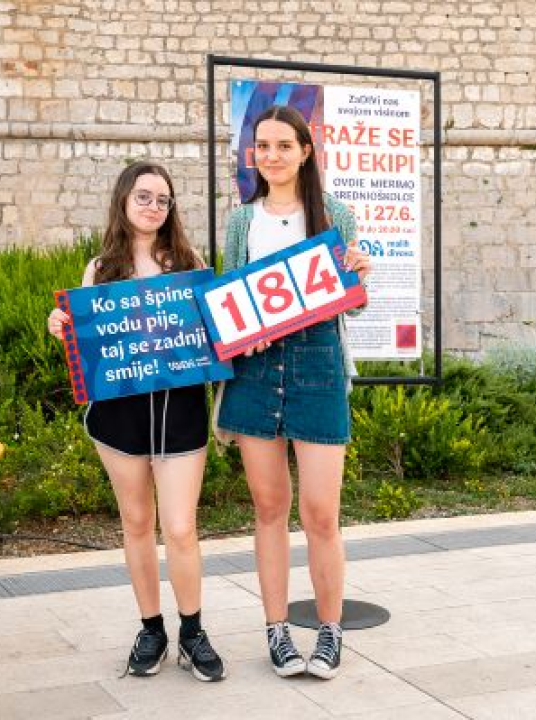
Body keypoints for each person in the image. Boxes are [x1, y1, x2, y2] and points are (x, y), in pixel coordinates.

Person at [46, 162, 226, 682]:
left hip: (180, 412)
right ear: (124, 200)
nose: (153, 206)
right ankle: (152, 629)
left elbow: (211, 337)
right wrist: (63, 326)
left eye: (163, 200)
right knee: (137, 524)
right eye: (144, 196)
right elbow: (90, 343)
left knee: (181, 527)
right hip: (119, 415)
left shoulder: (190, 263)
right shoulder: (99, 268)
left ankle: (192, 631)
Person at [214, 105, 371, 680]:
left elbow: (350, 300)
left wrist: (360, 271)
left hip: (318, 364)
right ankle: (276, 630)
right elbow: (229, 298)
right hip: (257, 374)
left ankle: (329, 631)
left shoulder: (336, 216)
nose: (271, 156)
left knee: (322, 512)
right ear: (251, 154)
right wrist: (238, 336)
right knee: (269, 508)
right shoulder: (240, 222)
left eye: (284, 145)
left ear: (306, 151)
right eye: (262, 146)